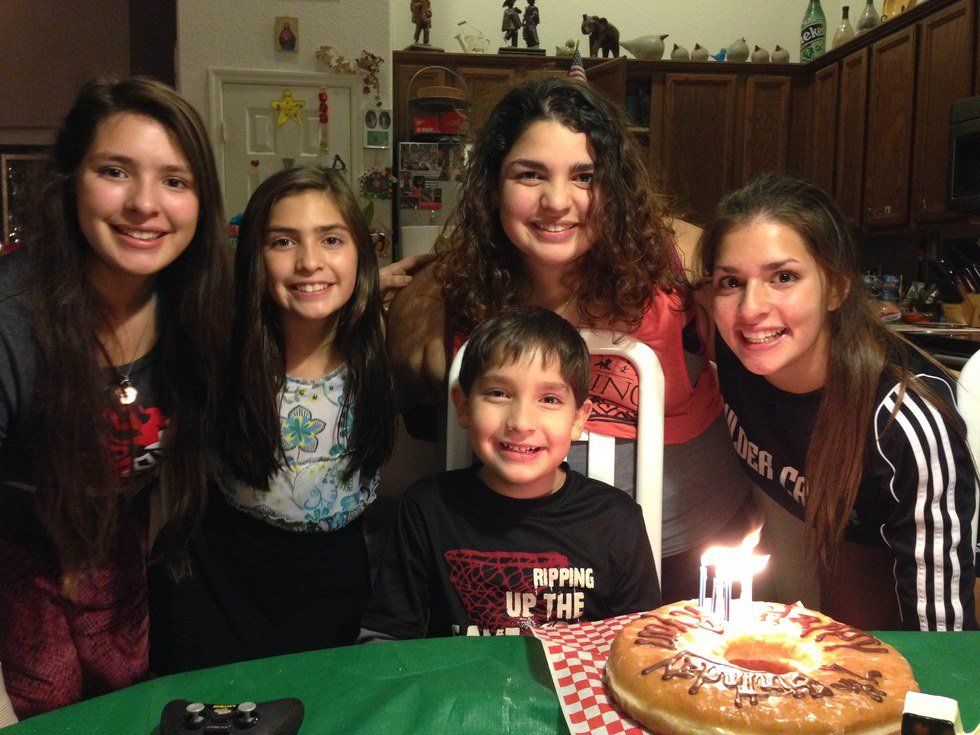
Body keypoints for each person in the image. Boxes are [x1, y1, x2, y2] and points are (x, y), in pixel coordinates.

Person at [386, 77, 756, 604]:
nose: (557, 202)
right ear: (493, 185)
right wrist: (351, 296)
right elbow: (387, 418)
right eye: (529, 174)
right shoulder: (447, 293)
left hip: (691, 552)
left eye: (585, 176)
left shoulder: (678, 260)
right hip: (518, 568)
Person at [0, 77, 231, 717]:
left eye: (175, 181)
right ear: (71, 180)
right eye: (115, 171)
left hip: (118, 561)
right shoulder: (12, 321)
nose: (144, 204)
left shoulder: (201, 305)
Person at [698, 174, 978, 631]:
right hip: (782, 617)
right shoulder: (736, 357)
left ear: (836, 287)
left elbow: (941, 635)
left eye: (783, 277)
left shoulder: (902, 421)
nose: (750, 309)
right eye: (731, 281)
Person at [148, 167, 397, 673]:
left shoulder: (380, 341)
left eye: (332, 239)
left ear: (360, 254)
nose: (310, 262)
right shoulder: (219, 349)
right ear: (254, 259)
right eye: (283, 241)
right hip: (222, 597)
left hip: (337, 593)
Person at [360, 307, 660, 639]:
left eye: (549, 399)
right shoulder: (428, 508)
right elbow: (386, 637)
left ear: (578, 419)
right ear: (464, 406)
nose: (521, 422)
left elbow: (641, 644)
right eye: (498, 394)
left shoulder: (616, 519)